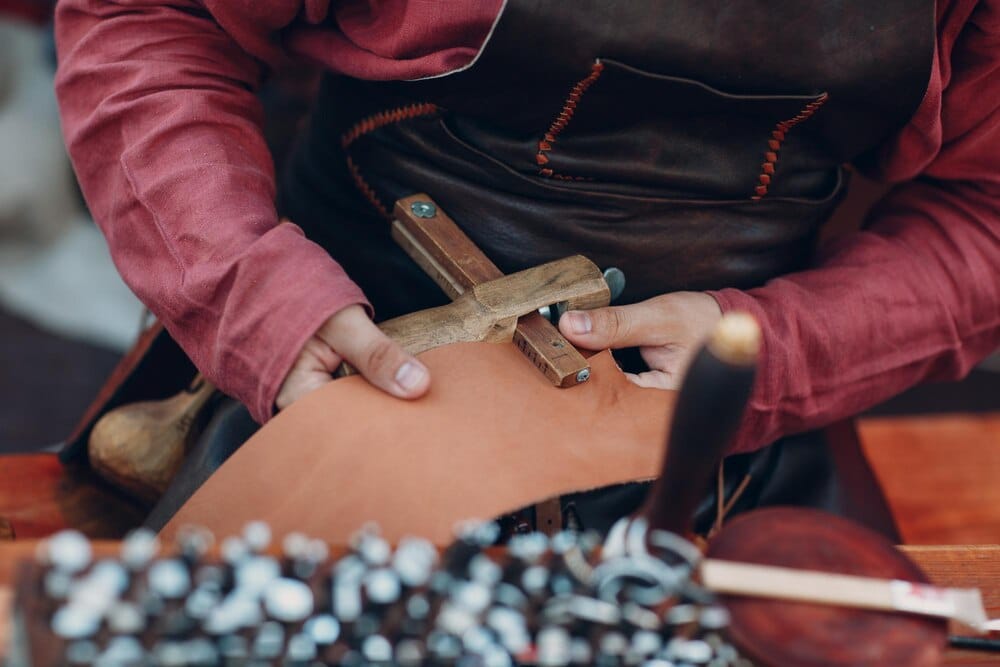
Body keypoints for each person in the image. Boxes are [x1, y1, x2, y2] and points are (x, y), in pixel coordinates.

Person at [54, 0, 1000, 533]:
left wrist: (787, 351)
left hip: (732, 459)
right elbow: (156, 14)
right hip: (337, 401)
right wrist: (249, 292)